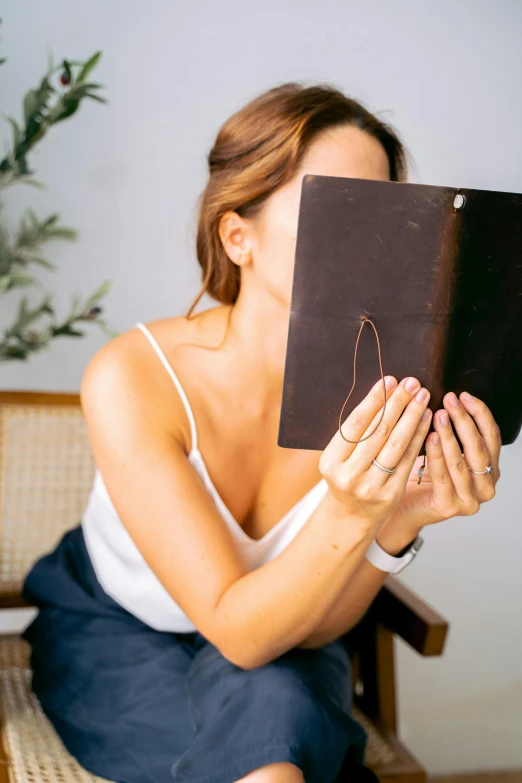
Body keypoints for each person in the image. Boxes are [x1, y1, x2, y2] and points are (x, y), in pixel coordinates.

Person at [21, 82, 501, 783]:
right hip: (119, 630)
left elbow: (311, 625)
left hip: (288, 638)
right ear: (237, 234)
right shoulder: (130, 375)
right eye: (330, 205)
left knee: (275, 730)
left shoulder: (387, 391)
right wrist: (352, 509)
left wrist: (400, 520)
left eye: (378, 212)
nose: (362, 238)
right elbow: (236, 629)